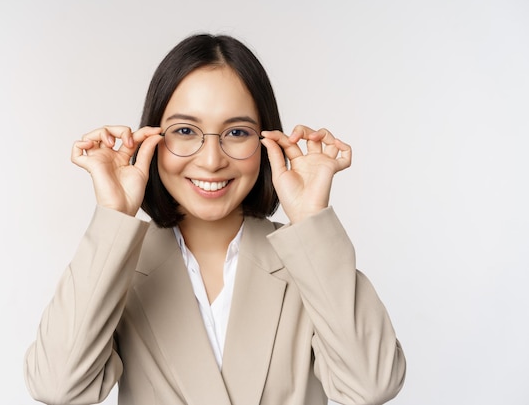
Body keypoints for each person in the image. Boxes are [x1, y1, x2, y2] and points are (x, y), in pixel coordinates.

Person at [24, 33, 406, 405]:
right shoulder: (118, 268)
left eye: (237, 132)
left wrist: (309, 218)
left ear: (266, 141)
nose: (211, 160)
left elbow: (371, 386)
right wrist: (113, 215)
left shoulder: (309, 264)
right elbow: (58, 388)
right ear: (151, 140)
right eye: (185, 131)